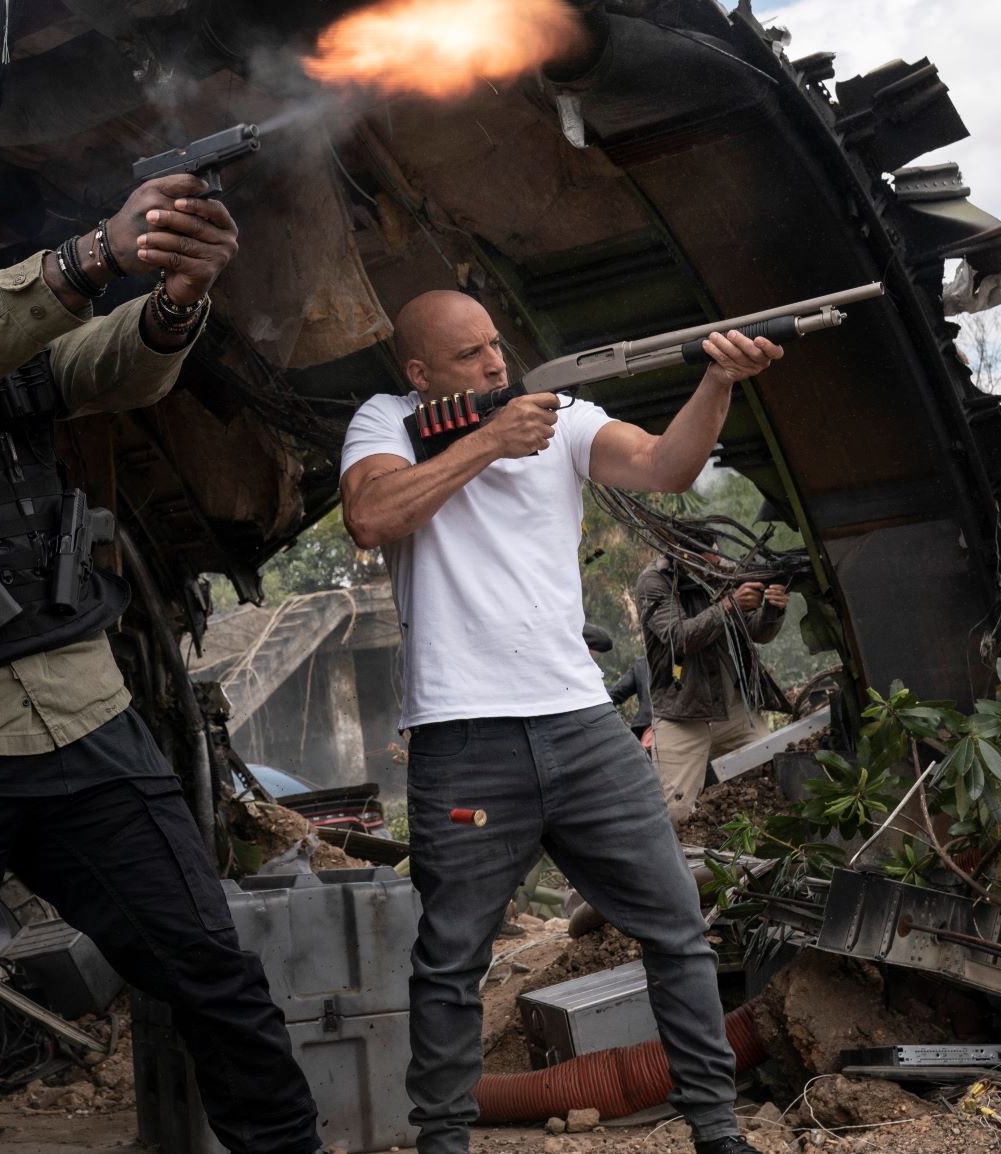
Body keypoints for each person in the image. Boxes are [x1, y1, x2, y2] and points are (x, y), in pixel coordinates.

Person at [0, 162, 324, 1154]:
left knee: (213, 971)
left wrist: (172, 298)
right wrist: (89, 257)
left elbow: (99, 361)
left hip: (79, 717)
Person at [339, 288, 785, 1154]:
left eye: (495, 346)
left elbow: (664, 466)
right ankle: (443, 1143)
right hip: (463, 735)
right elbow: (372, 516)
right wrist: (487, 442)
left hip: (581, 723)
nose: (494, 364)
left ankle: (718, 1132)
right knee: (451, 959)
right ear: (420, 373)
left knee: (677, 929)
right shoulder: (385, 421)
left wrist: (719, 383)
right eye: (468, 355)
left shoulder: (563, 418)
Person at [636, 537, 789, 825]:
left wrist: (772, 609)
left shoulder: (723, 571)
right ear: (682, 556)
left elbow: (756, 632)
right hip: (683, 711)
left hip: (732, 707)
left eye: (716, 557)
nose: (716, 566)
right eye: (707, 562)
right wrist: (729, 606)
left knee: (773, 776)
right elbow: (679, 637)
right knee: (673, 814)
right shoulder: (653, 581)